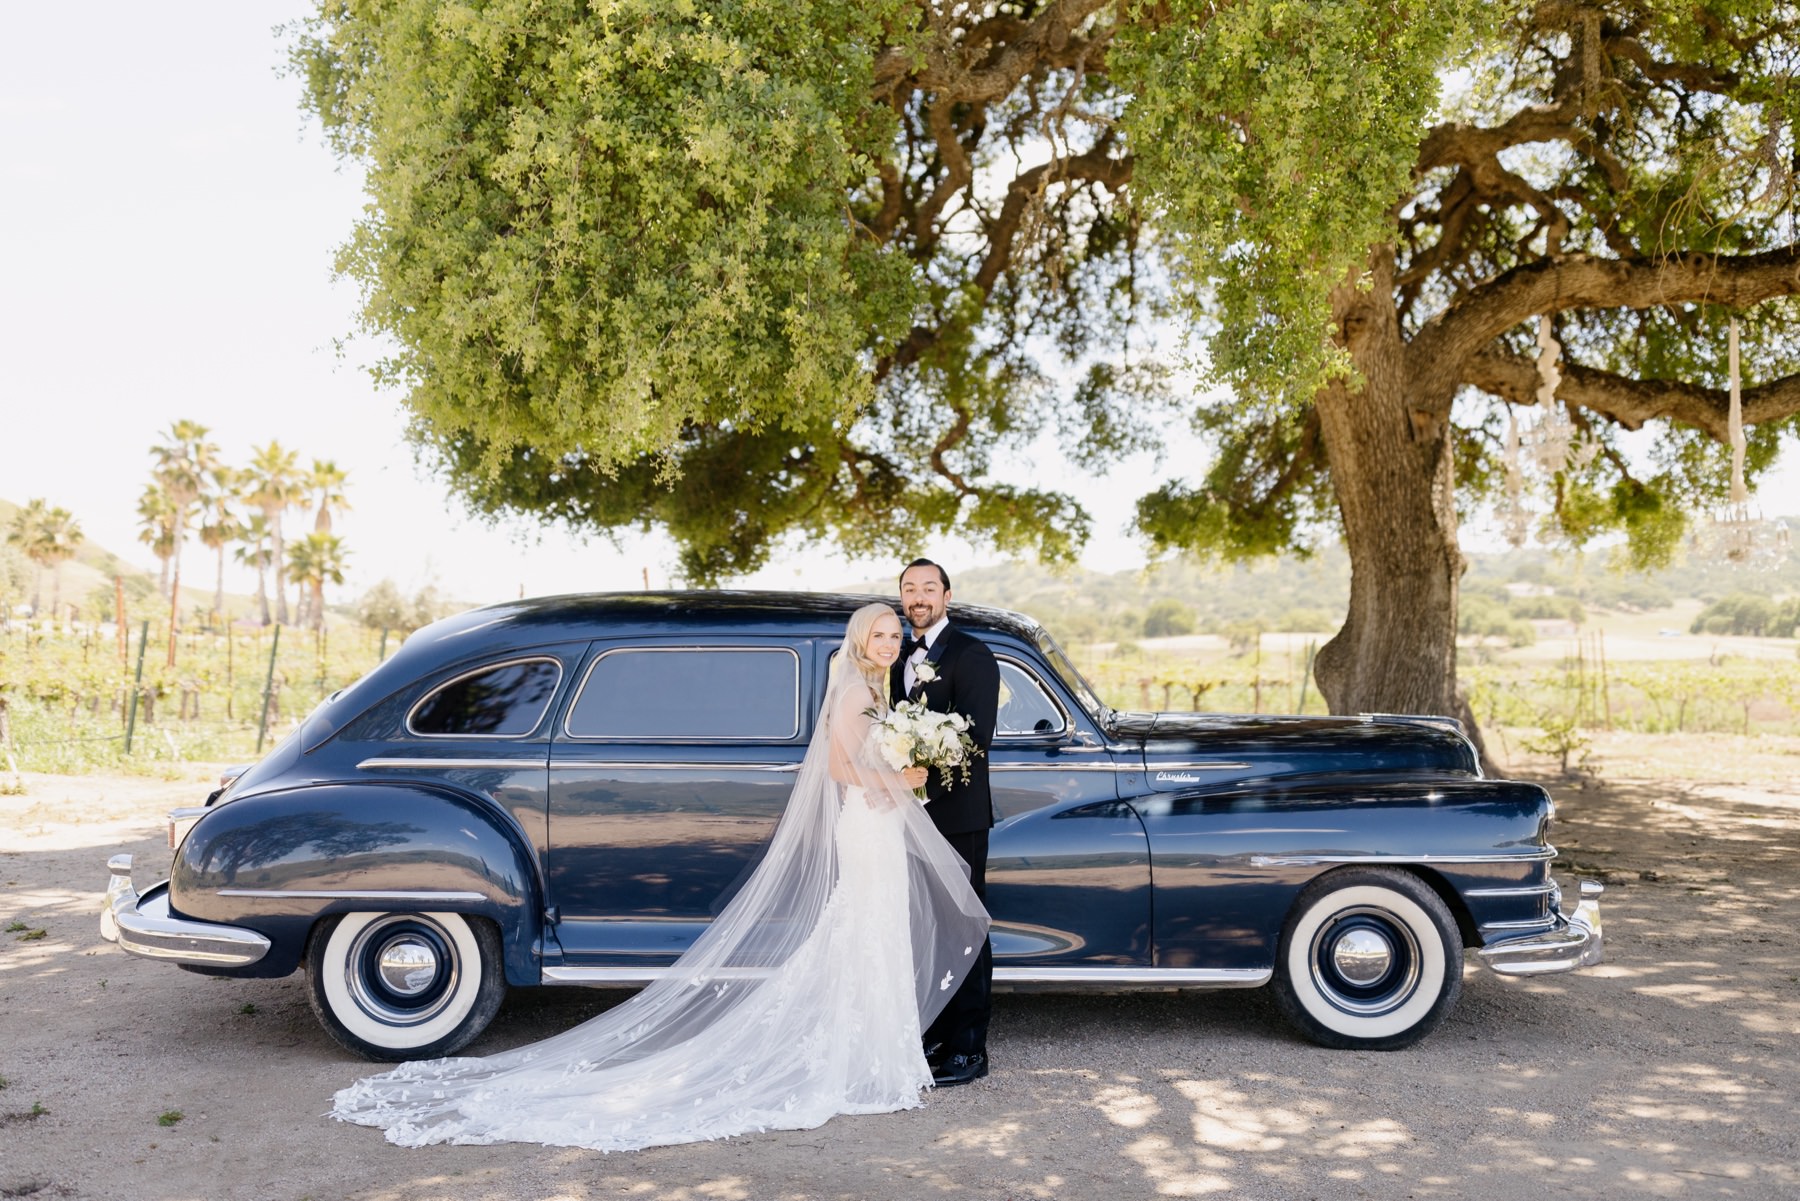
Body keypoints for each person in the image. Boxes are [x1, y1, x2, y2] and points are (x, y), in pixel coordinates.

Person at [329, 603, 989, 1150]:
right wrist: (901, 776)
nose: (890, 641)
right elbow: (844, 769)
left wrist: (899, 772)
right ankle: (871, 1062)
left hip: (872, 824)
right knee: (863, 930)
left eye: (895, 634)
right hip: (867, 822)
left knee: (868, 933)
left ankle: (879, 1055)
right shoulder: (852, 690)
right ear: (860, 640)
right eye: (880, 633)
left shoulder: (880, 689)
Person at [892, 558, 1000, 1086]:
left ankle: (969, 1049)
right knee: (924, 928)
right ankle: (936, 1032)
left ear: (947, 596)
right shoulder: (894, 659)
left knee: (966, 926)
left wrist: (922, 766)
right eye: (910, 589)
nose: (919, 597)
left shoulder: (972, 655)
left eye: (928, 588)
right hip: (905, 817)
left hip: (957, 816)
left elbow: (976, 740)